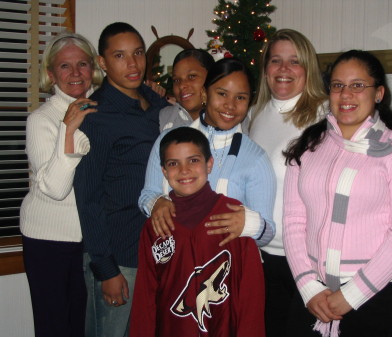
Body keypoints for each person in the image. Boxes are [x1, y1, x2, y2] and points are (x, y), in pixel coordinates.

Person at [248, 29, 392, 337]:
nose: (346, 94)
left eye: (357, 85)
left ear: (378, 93)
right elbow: (296, 220)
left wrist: (350, 296)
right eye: (338, 86)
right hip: (307, 283)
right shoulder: (307, 145)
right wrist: (310, 288)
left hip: (373, 296)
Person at [73, 22, 169, 337]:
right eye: (120, 55)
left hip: (156, 251)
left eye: (138, 53)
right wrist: (105, 269)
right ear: (102, 63)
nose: (132, 64)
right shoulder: (96, 117)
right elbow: (87, 198)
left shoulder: (158, 105)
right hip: (119, 256)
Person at [130, 127, 265, 337]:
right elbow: (145, 295)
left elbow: (250, 293)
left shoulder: (234, 215)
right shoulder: (156, 226)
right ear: (164, 172)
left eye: (193, 160)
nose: (184, 170)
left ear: (209, 164)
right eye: (173, 163)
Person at [139, 57, 276, 248]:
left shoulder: (255, 157)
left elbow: (268, 232)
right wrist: (156, 203)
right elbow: (147, 193)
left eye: (241, 97)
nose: (230, 105)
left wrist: (249, 223)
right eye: (222, 94)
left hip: (224, 269)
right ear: (205, 93)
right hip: (174, 264)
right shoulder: (168, 140)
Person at [20, 32, 102, 337]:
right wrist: (68, 130)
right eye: (65, 66)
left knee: (88, 326)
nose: (76, 73)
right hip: (48, 240)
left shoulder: (102, 109)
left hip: (91, 239)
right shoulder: (41, 120)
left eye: (82, 64)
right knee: (56, 327)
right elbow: (55, 189)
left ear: (93, 67)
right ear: (51, 74)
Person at [159, 49, 215, 131]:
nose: (182, 86)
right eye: (177, 80)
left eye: (192, 76)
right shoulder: (165, 117)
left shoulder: (229, 116)